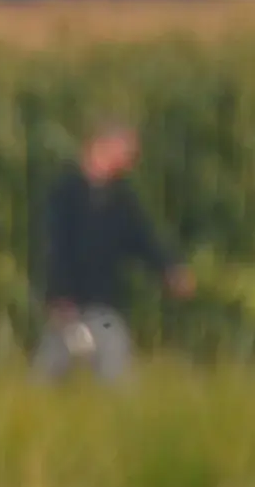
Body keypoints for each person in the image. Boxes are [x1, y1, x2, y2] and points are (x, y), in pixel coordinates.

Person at [32, 119, 194, 384]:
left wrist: (170, 269)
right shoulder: (65, 192)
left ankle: (122, 420)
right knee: (49, 374)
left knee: (116, 368)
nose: (132, 161)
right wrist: (59, 294)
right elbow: (53, 245)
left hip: (103, 305)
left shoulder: (121, 198)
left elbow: (143, 239)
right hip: (66, 305)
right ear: (103, 147)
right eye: (128, 153)